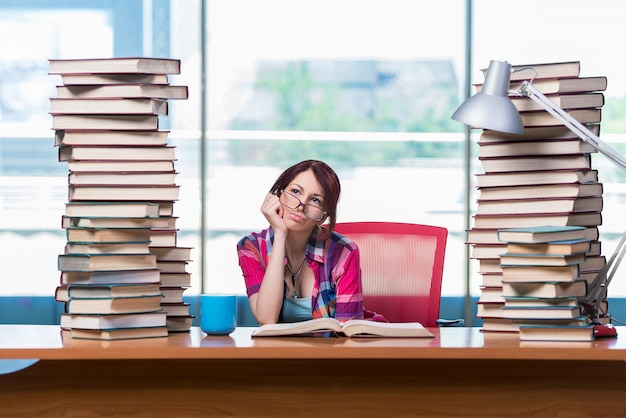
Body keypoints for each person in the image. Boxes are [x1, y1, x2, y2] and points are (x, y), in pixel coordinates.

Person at [236, 159, 365, 325]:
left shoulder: (345, 251)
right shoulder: (250, 247)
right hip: (277, 351)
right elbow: (267, 319)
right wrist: (280, 234)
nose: (300, 206)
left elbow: (349, 330)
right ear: (277, 194)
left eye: (315, 200)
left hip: (331, 349)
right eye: (295, 191)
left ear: (324, 215)